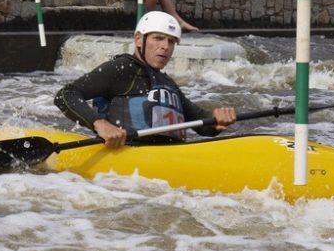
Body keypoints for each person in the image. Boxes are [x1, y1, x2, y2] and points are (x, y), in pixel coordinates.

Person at [54, 11, 236, 148]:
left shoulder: (167, 83)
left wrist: (218, 120)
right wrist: (100, 124)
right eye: (158, 38)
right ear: (139, 40)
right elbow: (66, 94)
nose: (165, 46)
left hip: (167, 156)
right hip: (127, 156)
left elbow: (199, 121)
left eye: (171, 41)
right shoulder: (122, 68)